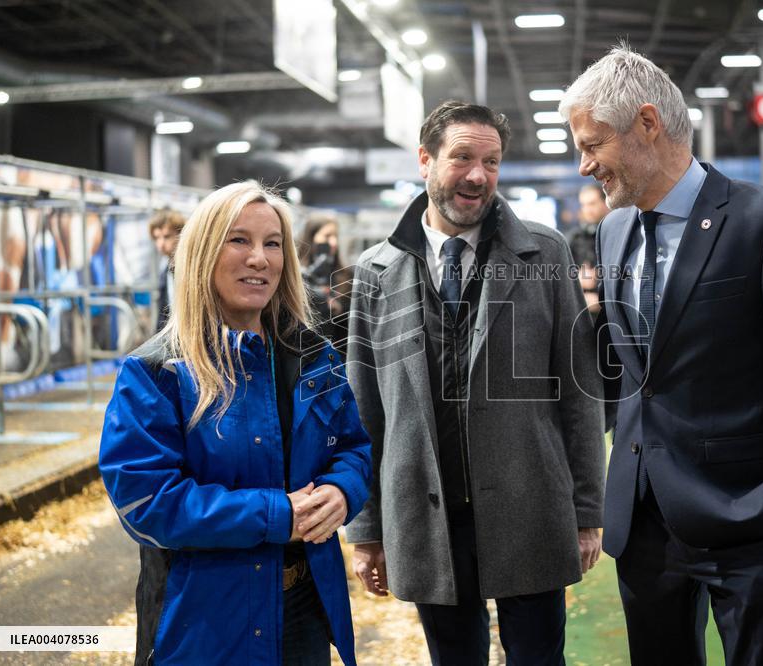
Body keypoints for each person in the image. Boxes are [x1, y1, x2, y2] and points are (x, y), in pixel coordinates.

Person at [560, 46, 763, 664]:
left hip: (752, 526)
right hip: (645, 526)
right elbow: (635, 374)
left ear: (647, 124)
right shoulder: (614, 228)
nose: (583, 165)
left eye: (592, 144)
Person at [345, 100, 605, 665]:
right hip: (427, 512)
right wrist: (367, 527)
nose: (477, 175)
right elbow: (364, 410)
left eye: (491, 161)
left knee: (538, 657)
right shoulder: (375, 271)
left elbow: (580, 392)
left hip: (531, 505)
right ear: (425, 160)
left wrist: (587, 513)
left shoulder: (545, 253)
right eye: (461, 157)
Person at [99, 181, 372, 666]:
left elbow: (352, 447)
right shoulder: (157, 372)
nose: (260, 259)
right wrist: (275, 515)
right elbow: (146, 502)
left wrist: (342, 491)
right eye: (239, 240)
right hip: (206, 619)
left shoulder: (314, 357)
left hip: (305, 610)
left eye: (272, 244)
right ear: (204, 252)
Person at [298, 214, 351, 355]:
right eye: (327, 236)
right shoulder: (298, 277)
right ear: (311, 238)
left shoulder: (346, 277)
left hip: (339, 355)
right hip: (306, 354)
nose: (333, 242)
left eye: (335, 237)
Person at [568, 183, 610, 316]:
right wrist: (576, 280)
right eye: (583, 205)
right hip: (583, 312)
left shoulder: (618, 235)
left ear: (605, 203)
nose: (587, 209)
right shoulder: (574, 238)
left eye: (592, 204)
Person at [147, 208, 186, 331]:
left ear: (180, 234)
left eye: (166, 236)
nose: (161, 244)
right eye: (157, 238)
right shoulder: (167, 268)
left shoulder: (189, 267)